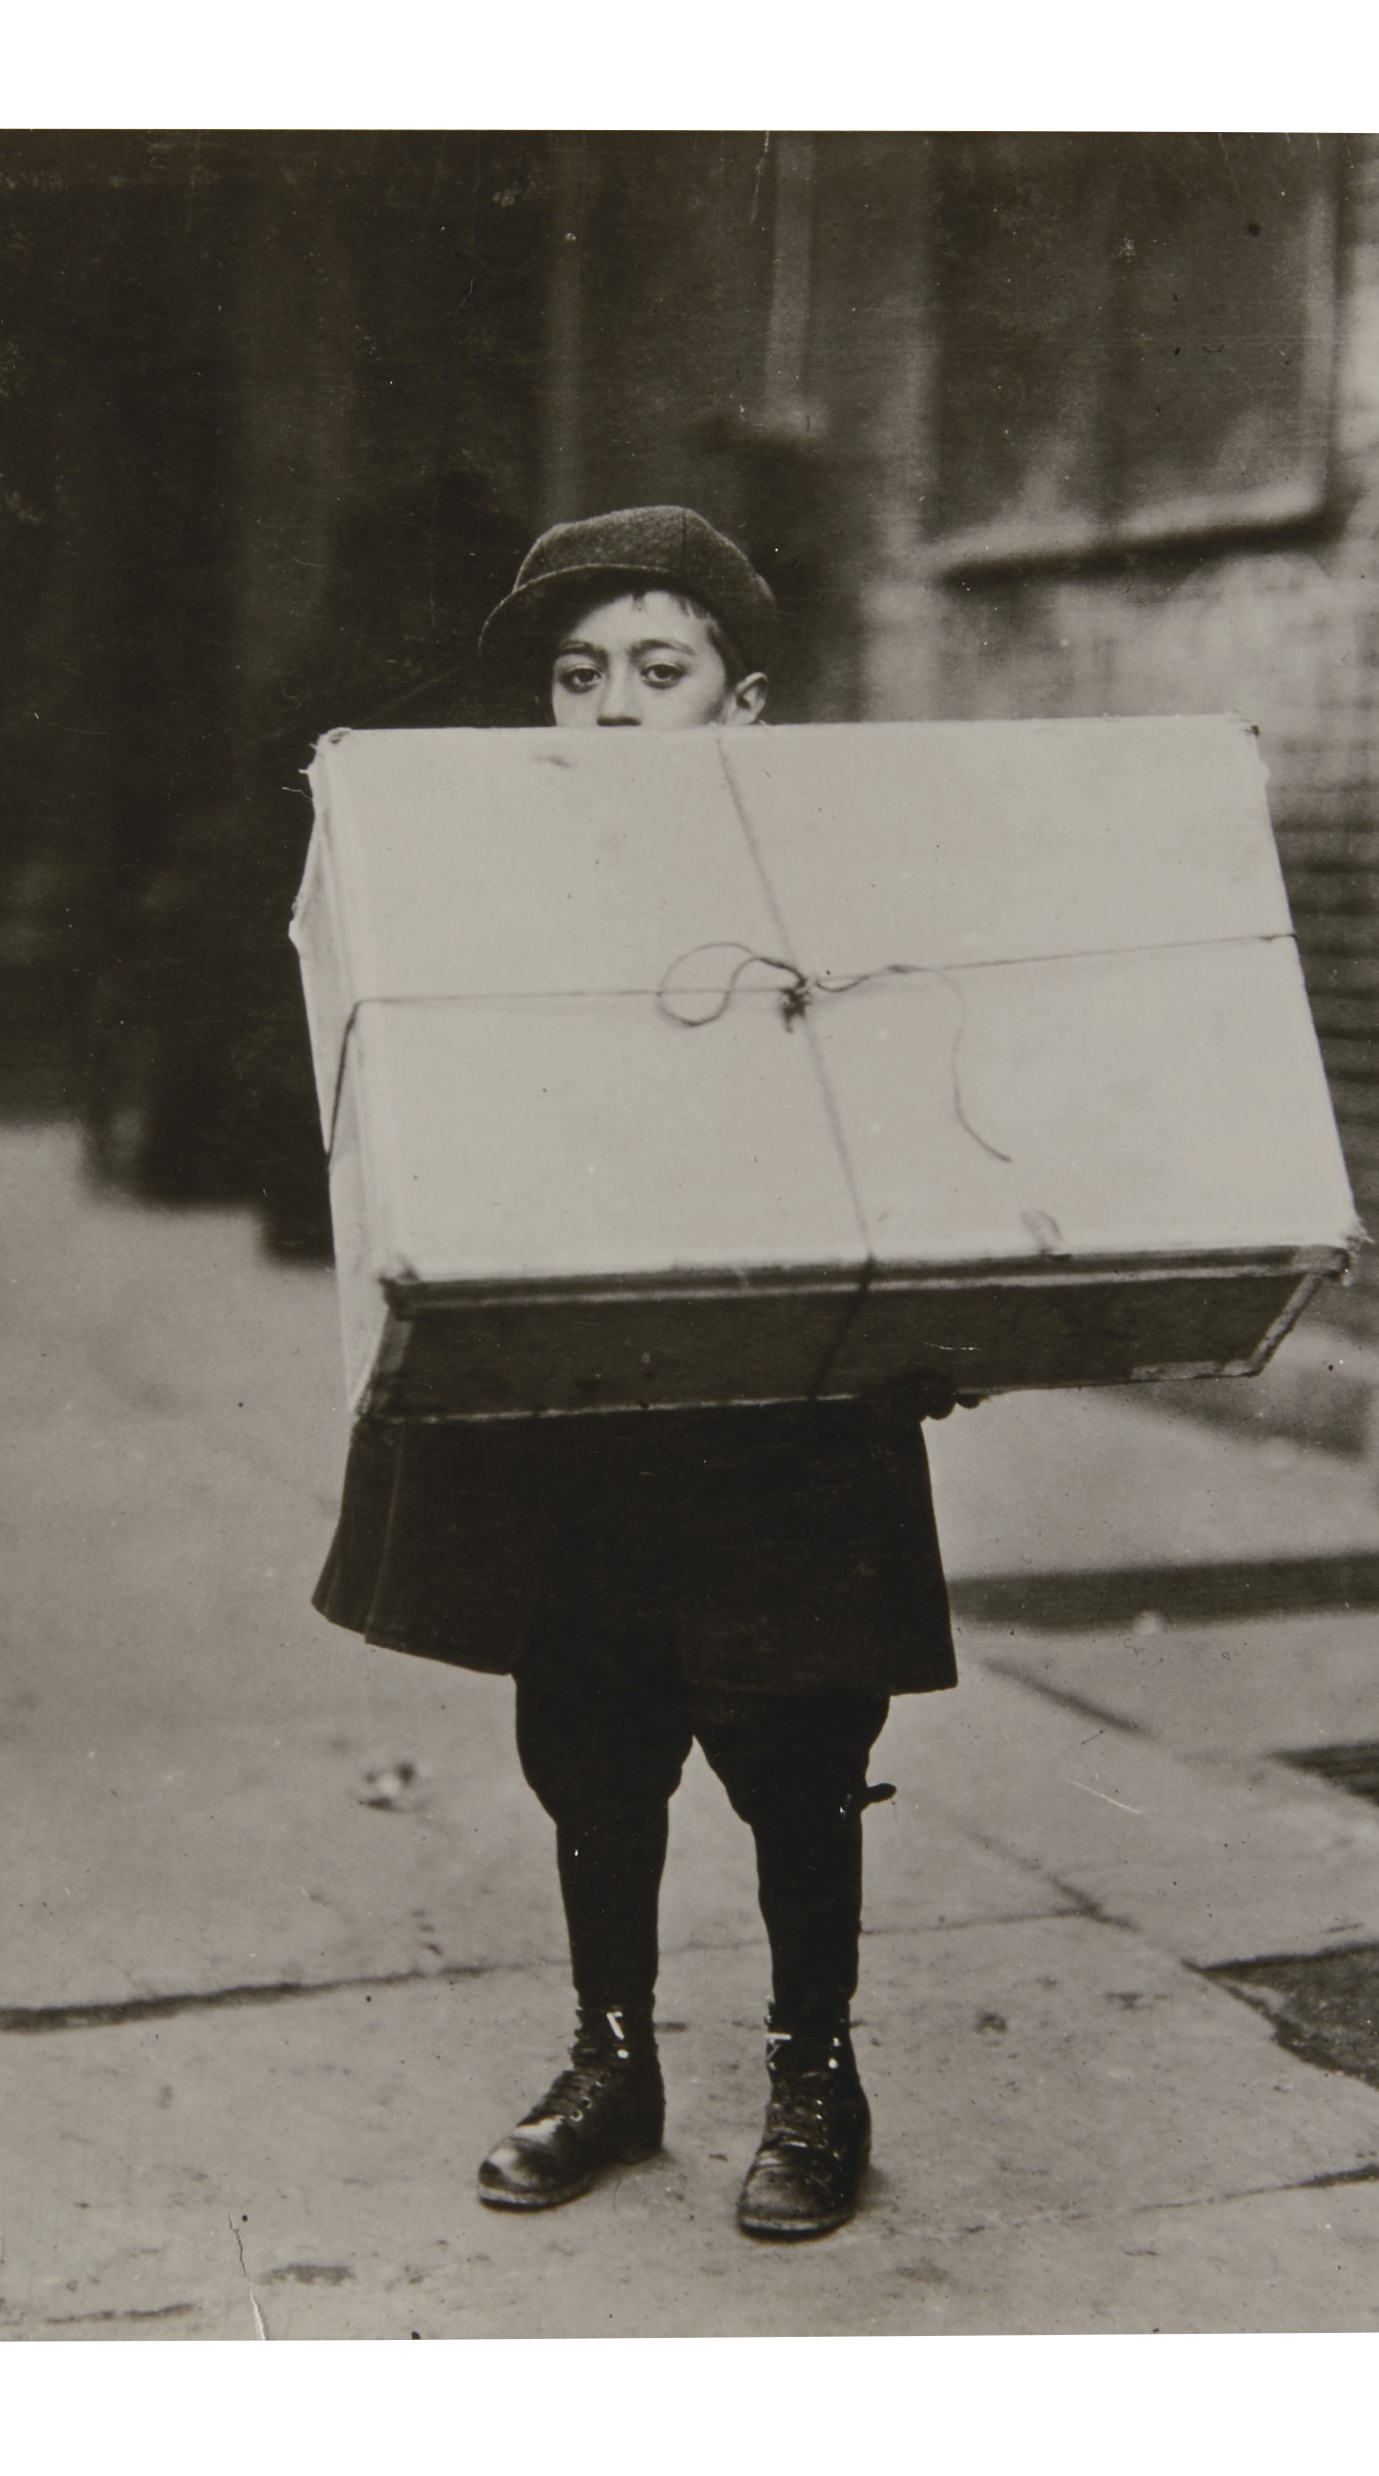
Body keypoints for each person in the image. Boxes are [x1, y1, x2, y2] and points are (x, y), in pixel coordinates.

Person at [311, 507, 960, 2242]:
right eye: (577, 675)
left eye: (658, 673)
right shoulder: (489, 890)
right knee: (592, 1733)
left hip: (784, 1394)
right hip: (586, 1391)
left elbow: (929, 1104)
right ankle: (613, 2058)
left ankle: (815, 2070)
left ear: (740, 707)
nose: (610, 707)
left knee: (798, 1733)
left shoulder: (832, 885)